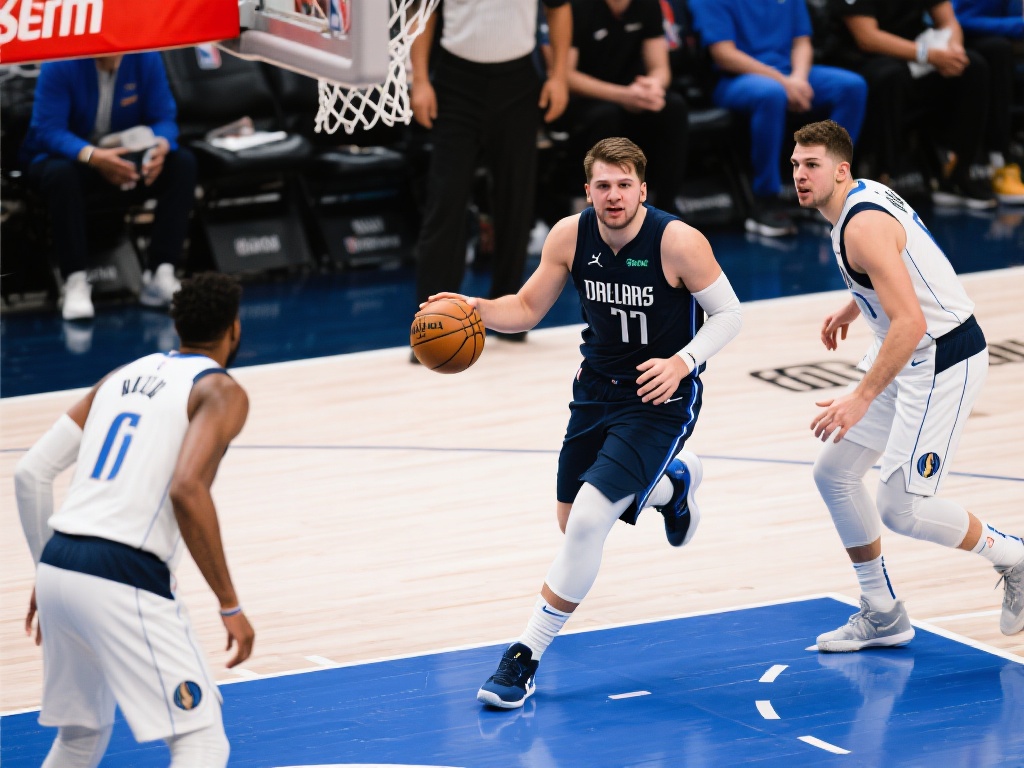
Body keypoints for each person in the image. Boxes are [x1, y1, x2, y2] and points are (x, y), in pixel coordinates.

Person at [426, 137, 742, 708]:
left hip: (658, 396)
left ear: (642, 190)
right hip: (594, 390)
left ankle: (523, 656)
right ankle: (673, 487)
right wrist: (477, 309)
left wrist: (682, 362)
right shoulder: (570, 236)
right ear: (588, 190)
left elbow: (729, 313)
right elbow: (527, 309)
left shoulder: (677, 242)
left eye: (624, 185)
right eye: (603, 185)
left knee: (589, 522)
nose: (613, 196)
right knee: (571, 519)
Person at [790, 119, 1024, 652]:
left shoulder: (860, 226)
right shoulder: (857, 199)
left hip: (942, 358)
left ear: (841, 170)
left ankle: (1015, 556)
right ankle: (883, 613)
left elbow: (912, 322)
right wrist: (855, 303)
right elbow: (902, 263)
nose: (800, 175)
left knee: (902, 508)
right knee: (834, 474)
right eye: (796, 165)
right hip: (907, 351)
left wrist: (860, 398)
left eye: (812, 165)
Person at [14, 272, 253, 767]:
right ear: (233, 328)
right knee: (202, 741)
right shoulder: (220, 390)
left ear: (176, 325)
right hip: (122, 571)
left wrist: (44, 567)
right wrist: (229, 603)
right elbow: (187, 488)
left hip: (58, 564)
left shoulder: (120, 375)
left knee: (80, 736)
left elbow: (31, 471)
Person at [409, 0, 572, 347]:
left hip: (518, 80)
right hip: (455, 79)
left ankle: (511, 318)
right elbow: (424, 13)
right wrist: (420, 80)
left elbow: (559, 9)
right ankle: (432, 325)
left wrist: (558, 77)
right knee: (446, 200)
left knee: (516, 198)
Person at [20, 53, 198, 321]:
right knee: (61, 176)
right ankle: (74, 281)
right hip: (69, 159)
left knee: (182, 163)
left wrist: (159, 146)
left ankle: (161, 272)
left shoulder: (145, 56)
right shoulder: (60, 61)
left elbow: (164, 119)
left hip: (124, 157)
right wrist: (93, 156)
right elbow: (48, 130)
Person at [688, 0, 867, 237]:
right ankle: (765, 199)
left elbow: (802, 42)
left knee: (852, 87)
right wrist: (783, 82)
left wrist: (798, 79)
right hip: (734, 79)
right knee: (771, 94)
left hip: (792, 73)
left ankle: (829, 190)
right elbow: (724, 55)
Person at [823, 0, 999, 208]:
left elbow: (949, 22)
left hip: (915, 53)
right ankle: (882, 179)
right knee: (891, 76)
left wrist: (954, 51)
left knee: (972, 66)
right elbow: (867, 38)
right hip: (861, 59)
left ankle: (957, 174)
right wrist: (927, 55)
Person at [553, 0, 689, 214]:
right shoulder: (577, 7)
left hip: (633, 93)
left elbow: (660, 68)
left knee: (673, 107)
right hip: (588, 99)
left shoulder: (648, 5)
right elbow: (567, 76)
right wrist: (623, 96)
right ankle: (593, 210)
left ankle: (665, 209)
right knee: (607, 116)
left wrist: (652, 86)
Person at [951, 0, 1024, 204]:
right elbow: (957, 19)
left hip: (1007, 36)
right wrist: (1017, 26)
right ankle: (999, 160)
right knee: (998, 50)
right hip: (962, 40)